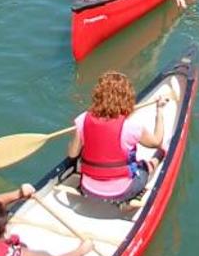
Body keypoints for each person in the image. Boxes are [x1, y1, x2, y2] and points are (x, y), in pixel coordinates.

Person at [68, 70, 170, 202]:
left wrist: (79, 132)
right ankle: (153, 163)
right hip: (123, 191)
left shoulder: (82, 120)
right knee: (146, 163)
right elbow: (156, 141)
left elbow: (72, 154)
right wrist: (159, 110)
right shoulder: (131, 127)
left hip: (88, 188)